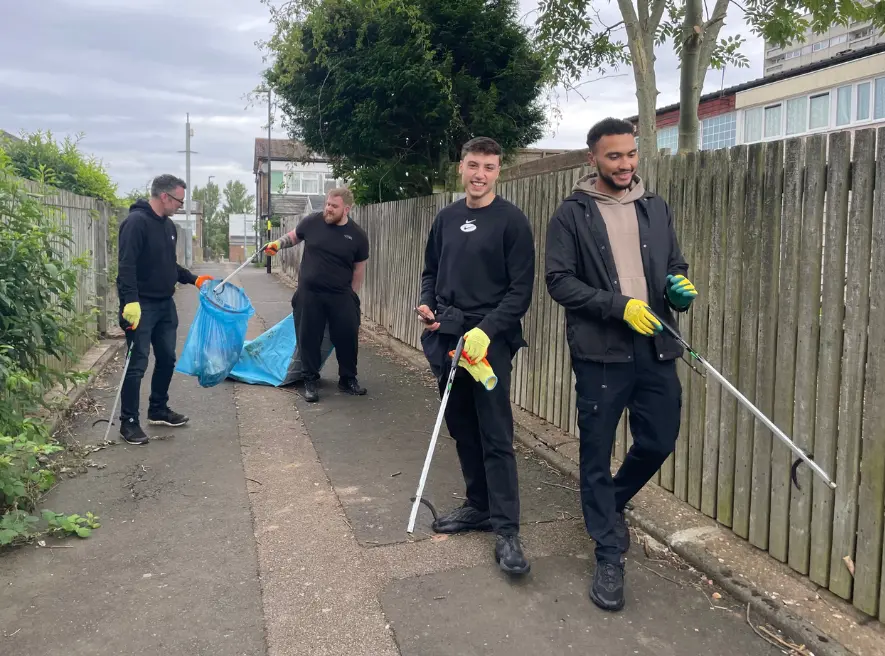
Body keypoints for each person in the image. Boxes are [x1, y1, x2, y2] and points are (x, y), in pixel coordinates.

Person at [545, 117, 698, 611]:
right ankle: (609, 552)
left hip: (655, 345)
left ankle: (607, 504)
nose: (626, 164)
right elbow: (559, 282)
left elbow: (674, 263)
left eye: (631, 155)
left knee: (659, 438)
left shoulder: (654, 206)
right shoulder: (571, 214)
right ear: (593, 158)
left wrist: (679, 287)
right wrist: (618, 305)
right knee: (595, 450)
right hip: (601, 352)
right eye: (614, 156)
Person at [417, 137, 535, 575]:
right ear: (461, 168)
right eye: (473, 165)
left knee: (495, 435)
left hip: (490, 343)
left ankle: (506, 528)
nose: (479, 174)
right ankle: (478, 505)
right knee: (462, 427)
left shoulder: (513, 223)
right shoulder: (446, 218)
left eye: (488, 166)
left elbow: (520, 291)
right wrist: (428, 304)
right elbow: (430, 270)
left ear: (498, 171)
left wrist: (486, 331)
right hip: (446, 334)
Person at [116, 174, 215, 446]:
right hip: (141, 306)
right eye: (179, 201)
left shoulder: (168, 226)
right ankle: (129, 422)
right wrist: (130, 302)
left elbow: (169, 266)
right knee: (137, 364)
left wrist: (193, 279)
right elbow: (126, 266)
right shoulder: (135, 223)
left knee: (168, 358)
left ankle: (158, 408)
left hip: (164, 304)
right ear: (164, 197)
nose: (180, 206)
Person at [263, 188, 369, 403]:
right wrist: (277, 244)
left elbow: (359, 269)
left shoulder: (357, 236)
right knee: (308, 337)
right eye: (328, 204)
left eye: (334, 206)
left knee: (347, 337)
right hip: (309, 294)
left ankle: (348, 379)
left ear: (346, 209)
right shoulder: (312, 222)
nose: (328, 209)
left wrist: (352, 295)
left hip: (341, 295)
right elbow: (293, 237)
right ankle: (309, 379)